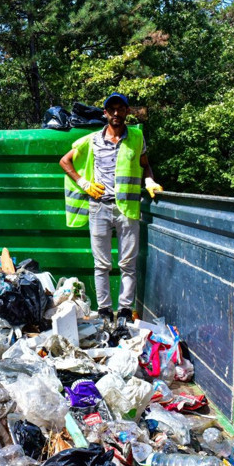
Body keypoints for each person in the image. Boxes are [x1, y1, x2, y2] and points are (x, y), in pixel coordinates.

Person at [59, 93, 162, 323]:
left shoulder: (136, 138)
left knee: (128, 263)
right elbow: (64, 161)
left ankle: (125, 309)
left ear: (127, 112)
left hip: (127, 209)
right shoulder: (92, 140)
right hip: (99, 208)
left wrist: (149, 181)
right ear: (105, 113)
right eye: (111, 109)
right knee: (101, 264)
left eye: (120, 108)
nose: (116, 113)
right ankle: (105, 310)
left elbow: (145, 166)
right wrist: (83, 183)